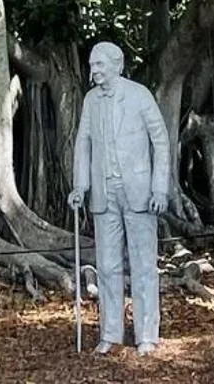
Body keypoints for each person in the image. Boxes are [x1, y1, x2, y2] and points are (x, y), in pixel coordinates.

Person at [67, 40, 169, 355]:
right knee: (108, 266)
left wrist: (159, 188)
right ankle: (110, 333)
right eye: (91, 65)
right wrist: (80, 186)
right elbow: (83, 142)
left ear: (117, 65)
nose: (93, 71)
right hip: (103, 191)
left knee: (142, 265)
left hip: (138, 191)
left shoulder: (139, 95)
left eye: (99, 65)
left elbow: (161, 141)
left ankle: (146, 335)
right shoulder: (90, 101)